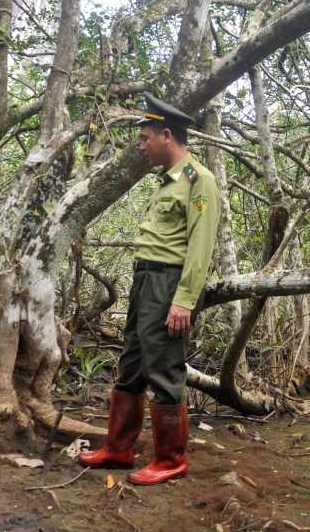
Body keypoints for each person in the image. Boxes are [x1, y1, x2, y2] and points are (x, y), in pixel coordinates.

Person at [78, 94, 220, 486]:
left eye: (145, 138)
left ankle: (171, 459)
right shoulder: (167, 181)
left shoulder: (198, 180)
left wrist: (184, 300)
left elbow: (200, 245)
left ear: (167, 135)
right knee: (132, 364)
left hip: (168, 282)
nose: (141, 145)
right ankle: (119, 448)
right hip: (145, 280)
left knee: (164, 368)